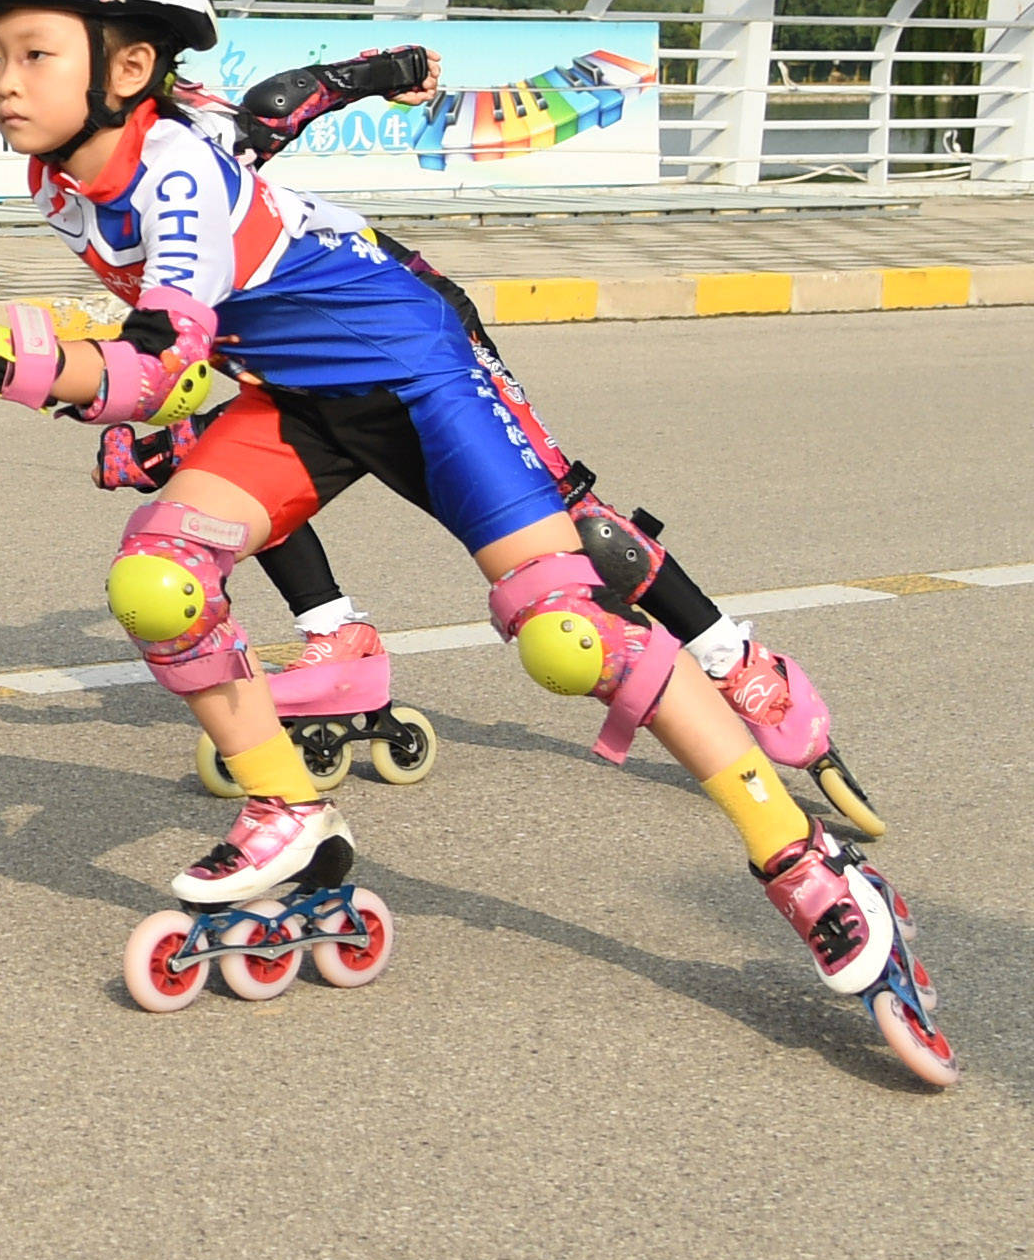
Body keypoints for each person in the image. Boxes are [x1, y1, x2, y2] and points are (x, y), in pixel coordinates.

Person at [0, 0, 951, 1084]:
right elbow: (284, 113)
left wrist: (6, 356)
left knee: (564, 632)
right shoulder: (63, 175)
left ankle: (810, 868)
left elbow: (154, 369)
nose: (3, 81)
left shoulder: (180, 171)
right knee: (156, 575)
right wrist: (382, 73)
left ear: (128, 64)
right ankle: (288, 808)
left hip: (417, 369)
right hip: (298, 391)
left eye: (35, 53)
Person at [105, 43, 879, 832]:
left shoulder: (187, 143)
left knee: (574, 524)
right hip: (283, 360)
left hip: (394, 331)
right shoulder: (75, 183)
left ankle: (734, 659)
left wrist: (399, 69)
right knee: (216, 483)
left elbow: (291, 96)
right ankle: (335, 635)